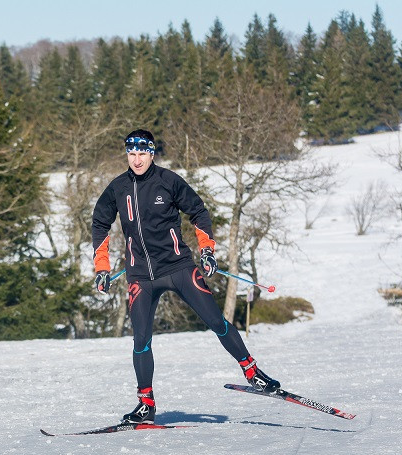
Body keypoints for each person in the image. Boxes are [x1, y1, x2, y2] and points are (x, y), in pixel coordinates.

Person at [91, 129, 280, 424]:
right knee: (141, 341)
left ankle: (253, 372)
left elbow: (199, 212)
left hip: (178, 268)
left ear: (152, 153)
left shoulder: (168, 182)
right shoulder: (118, 188)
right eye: (131, 153)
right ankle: (145, 404)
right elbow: (100, 224)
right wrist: (101, 268)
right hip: (140, 276)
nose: (136, 159)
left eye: (142, 153)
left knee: (216, 322)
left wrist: (207, 251)